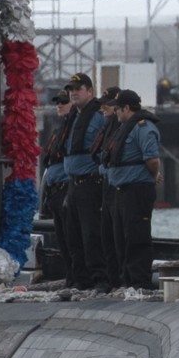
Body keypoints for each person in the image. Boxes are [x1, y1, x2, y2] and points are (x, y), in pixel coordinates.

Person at [102, 90, 162, 290]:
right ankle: (127, 280)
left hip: (137, 191)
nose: (116, 112)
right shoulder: (125, 128)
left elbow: (152, 160)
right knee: (121, 239)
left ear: (127, 108)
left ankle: (139, 282)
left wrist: (154, 176)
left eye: (118, 109)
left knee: (137, 238)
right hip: (121, 191)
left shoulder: (143, 127)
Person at [58, 73, 109, 290]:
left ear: (90, 91)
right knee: (74, 238)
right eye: (71, 90)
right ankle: (81, 281)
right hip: (73, 185)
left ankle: (101, 280)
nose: (73, 93)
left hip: (91, 183)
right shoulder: (74, 117)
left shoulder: (99, 116)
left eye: (78, 89)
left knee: (92, 235)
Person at [90, 87, 127, 285]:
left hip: (117, 188)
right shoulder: (109, 126)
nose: (103, 107)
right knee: (107, 237)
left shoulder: (122, 127)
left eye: (108, 104)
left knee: (118, 236)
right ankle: (114, 281)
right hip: (107, 186)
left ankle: (123, 280)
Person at [40, 89, 73, 223]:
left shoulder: (73, 129)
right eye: (58, 102)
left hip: (66, 187)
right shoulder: (59, 130)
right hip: (54, 189)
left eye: (64, 102)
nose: (59, 105)